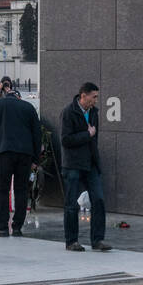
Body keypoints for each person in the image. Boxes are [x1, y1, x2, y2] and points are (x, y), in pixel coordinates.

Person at [0, 78, 40, 236]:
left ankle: (2, 227)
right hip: (25, 155)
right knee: (21, 190)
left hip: (4, 153)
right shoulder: (28, 107)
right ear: (19, 97)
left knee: (2, 189)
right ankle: (17, 227)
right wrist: (36, 159)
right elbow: (37, 134)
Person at [59, 82, 110, 251]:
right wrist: (86, 134)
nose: (95, 100)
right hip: (73, 163)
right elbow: (65, 140)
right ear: (83, 95)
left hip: (90, 164)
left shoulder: (94, 112)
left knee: (99, 199)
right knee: (71, 204)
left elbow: (94, 140)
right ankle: (71, 241)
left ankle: (97, 240)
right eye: (93, 97)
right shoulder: (68, 112)